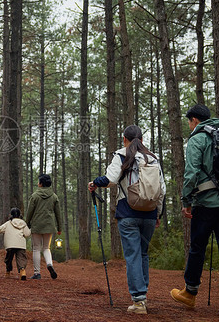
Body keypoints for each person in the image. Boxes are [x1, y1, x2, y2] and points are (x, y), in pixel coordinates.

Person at [170, 104, 219, 317]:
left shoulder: (197, 138)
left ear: (193, 120)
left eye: (189, 121)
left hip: (206, 204)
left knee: (197, 248)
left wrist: (186, 200)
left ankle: (190, 293)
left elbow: (191, 172)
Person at [88, 125, 165, 315]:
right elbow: (161, 189)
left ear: (124, 139)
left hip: (128, 212)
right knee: (143, 254)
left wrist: (94, 183)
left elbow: (111, 179)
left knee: (133, 255)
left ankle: (139, 301)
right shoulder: (152, 158)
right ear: (142, 140)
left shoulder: (122, 155)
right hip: (149, 213)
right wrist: (158, 214)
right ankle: (142, 297)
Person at [25, 174, 62, 280]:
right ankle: (49, 264)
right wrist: (59, 228)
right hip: (49, 225)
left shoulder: (35, 196)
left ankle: (37, 273)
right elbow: (58, 213)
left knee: (36, 249)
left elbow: (30, 211)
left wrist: (27, 223)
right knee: (46, 248)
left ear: (40, 184)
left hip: (37, 225)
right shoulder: (54, 196)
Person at [0, 207, 31, 280]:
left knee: (9, 258)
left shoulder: (8, 223)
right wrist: (30, 228)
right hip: (21, 244)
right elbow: (27, 234)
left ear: (11, 215)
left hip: (10, 244)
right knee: (21, 258)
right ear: (20, 215)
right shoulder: (23, 224)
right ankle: (22, 271)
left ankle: (8, 271)